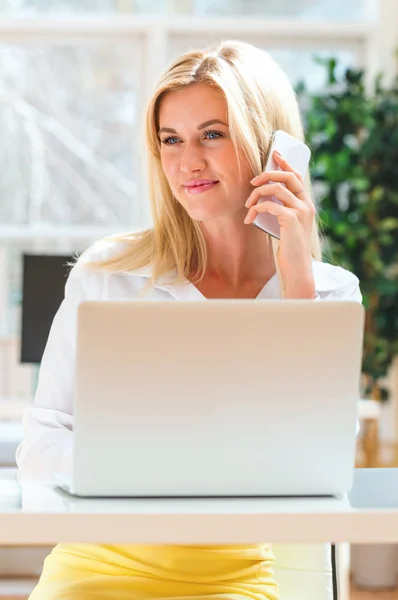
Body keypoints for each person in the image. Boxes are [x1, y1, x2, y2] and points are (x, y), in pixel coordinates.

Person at [16, 40, 361, 600]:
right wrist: (152, 467)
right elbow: (41, 442)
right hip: (98, 567)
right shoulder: (109, 273)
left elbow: (323, 463)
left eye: (212, 134)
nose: (187, 162)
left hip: (235, 578)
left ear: (272, 146)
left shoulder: (328, 292)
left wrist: (297, 282)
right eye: (170, 140)